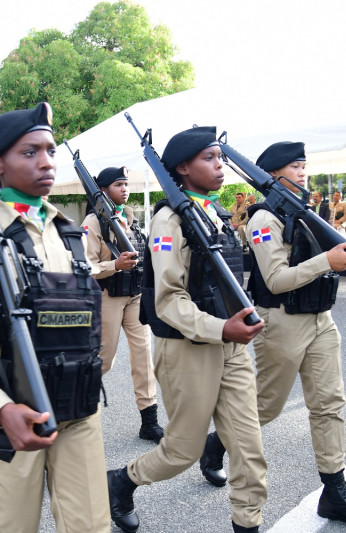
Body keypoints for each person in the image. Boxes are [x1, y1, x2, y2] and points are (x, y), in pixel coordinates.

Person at [0, 103, 110, 533]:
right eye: (30, 152)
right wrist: (1, 410)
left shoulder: (71, 233)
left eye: (50, 151)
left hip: (79, 408)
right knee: (16, 526)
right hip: (14, 414)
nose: (46, 162)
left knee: (92, 525)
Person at [205, 141, 346, 532]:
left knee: (330, 404)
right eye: (294, 165)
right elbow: (275, 279)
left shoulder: (304, 211)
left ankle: (335, 494)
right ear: (272, 174)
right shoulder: (263, 219)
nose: (303, 171)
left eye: (304, 164)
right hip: (283, 321)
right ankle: (215, 444)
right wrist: (327, 261)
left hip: (320, 318)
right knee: (265, 407)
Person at [107, 126, 268, 533]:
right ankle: (122, 480)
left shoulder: (212, 212)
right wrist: (222, 329)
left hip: (229, 345)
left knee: (248, 451)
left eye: (220, 157)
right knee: (182, 451)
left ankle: (247, 523)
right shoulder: (169, 221)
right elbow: (168, 300)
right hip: (187, 347)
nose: (220, 166)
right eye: (209, 158)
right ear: (182, 167)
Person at [80, 166, 163, 443]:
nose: (125, 189)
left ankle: (149, 420)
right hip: (109, 296)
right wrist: (114, 265)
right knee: (104, 360)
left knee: (144, 358)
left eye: (126, 184)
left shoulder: (128, 217)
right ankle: (79, 412)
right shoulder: (94, 222)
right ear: (103, 190)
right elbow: (84, 267)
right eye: (118, 184)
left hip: (135, 294)